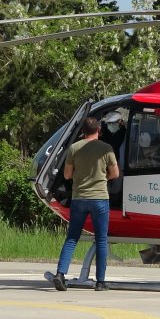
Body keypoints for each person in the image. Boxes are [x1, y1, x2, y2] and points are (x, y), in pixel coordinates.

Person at [52, 117, 119, 292]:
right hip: (99, 199)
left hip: (79, 198)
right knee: (101, 239)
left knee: (72, 237)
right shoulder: (106, 148)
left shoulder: (74, 148)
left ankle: (60, 274)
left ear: (83, 130)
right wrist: (102, 178)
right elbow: (115, 173)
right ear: (99, 129)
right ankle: (100, 282)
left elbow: (67, 175)